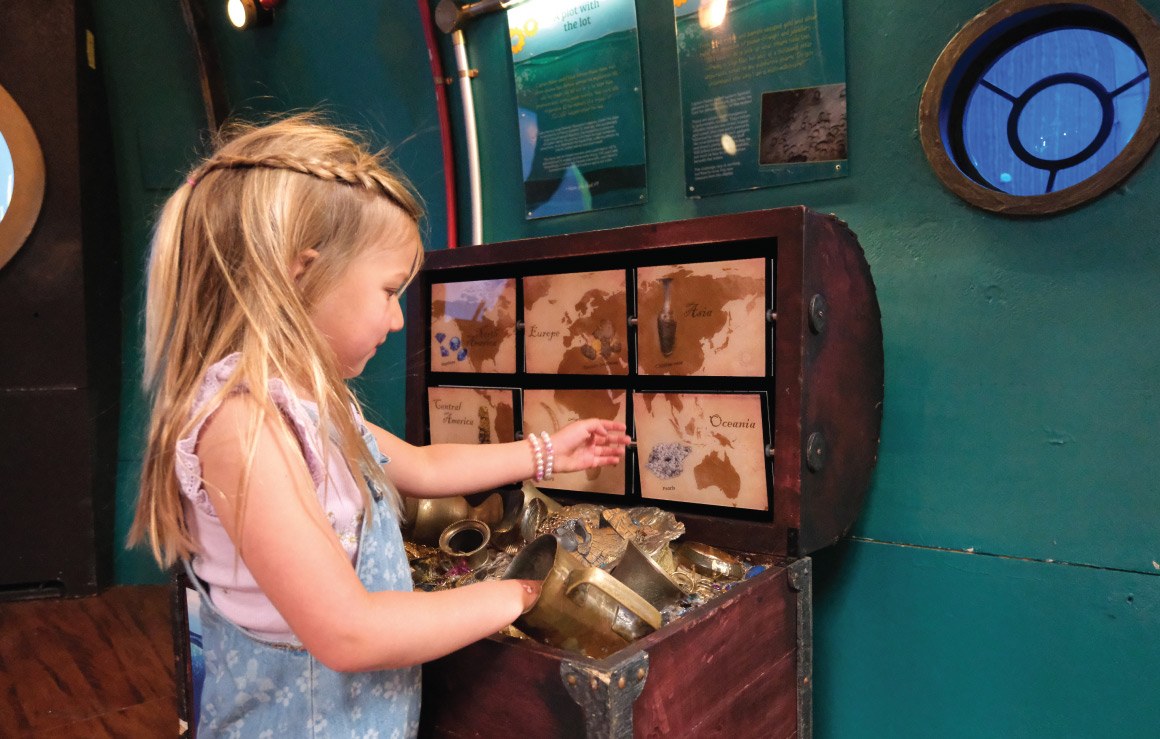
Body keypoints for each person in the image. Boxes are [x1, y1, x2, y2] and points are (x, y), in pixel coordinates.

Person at [128, 114, 630, 738]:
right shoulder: (244, 426)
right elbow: (348, 632)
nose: (397, 322)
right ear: (300, 274)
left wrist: (548, 452)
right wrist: (523, 593)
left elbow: (421, 467)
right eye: (390, 292)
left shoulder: (311, 402)